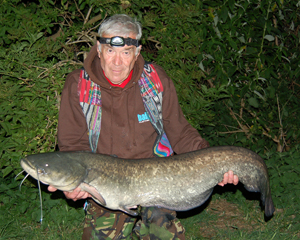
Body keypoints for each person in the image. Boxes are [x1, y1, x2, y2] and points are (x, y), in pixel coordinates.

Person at [48, 14, 239, 240]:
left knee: (163, 234)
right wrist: (74, 182)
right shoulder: (79, 85)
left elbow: (180, 131)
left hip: (156, 180)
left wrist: (214, 164)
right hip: (107, 182)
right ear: (98, 49)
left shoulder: (155, 80)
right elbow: (72, 144)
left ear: (136, 53)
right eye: (110, 51)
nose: (117, 62)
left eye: (125, 53)